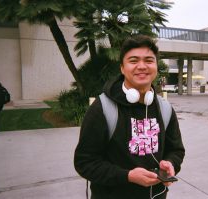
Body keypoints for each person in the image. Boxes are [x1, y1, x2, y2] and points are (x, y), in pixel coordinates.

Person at [74, 35, 185, 199]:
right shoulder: (103, 108)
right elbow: (85, 162)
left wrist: (170, 163)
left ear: (156, 66)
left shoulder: (165, 108)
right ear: (122, 68)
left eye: (148, 60)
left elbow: (176, 150)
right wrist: (127, 176)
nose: (142, 66)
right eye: (133, 61)